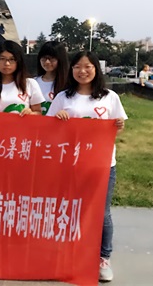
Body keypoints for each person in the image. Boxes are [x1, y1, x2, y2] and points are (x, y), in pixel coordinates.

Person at [46, 51, 127, 283]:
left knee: (101, 212)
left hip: (102, 164)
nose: (82, 71)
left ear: (95, 69)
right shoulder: (63, 97)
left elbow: (118, 126)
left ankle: (103, 258)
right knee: (68, 208)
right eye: (77, 67)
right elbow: (49, 128)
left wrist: (118, 125)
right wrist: (58, 118)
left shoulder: (109, 97)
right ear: (71, 70)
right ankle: (70, 253)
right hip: (69, 164)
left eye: (88, 66)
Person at [0, 40, 44, 115]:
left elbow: (38, 113)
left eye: (12, 59)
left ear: (19, 61)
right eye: (2, 59)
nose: (7, 63)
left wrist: (31, 113)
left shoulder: (30, 84)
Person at [35, 41, 69, 115]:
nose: (47, 62)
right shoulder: (33, 82)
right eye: (44, 58)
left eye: (52, 58)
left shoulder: (69, 84)